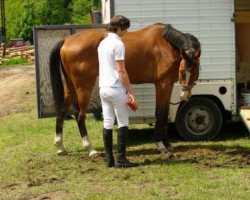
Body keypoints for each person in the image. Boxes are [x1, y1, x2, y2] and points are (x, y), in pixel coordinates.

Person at [98, 15, 138, 168]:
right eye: (125, 29)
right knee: (123, 122)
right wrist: (131, 91)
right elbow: (121, 71)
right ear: (120, 28)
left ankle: (109, 160)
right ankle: (121, 159)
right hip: (115, 88)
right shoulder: (118, 44)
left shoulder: (102, 44)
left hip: (103, 88)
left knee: (108, 122)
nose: (126, 32)